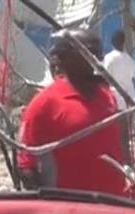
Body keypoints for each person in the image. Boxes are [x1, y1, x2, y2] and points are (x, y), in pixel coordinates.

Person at [18, 30, 127, 196]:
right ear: (64, 58)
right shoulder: (44, 103)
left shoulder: (107, 95)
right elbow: (26, 166)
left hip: (115, 206)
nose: (95, 57)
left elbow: (118, 146)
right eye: (87, 51)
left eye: (96, 52)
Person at [103, 29, 135, 102]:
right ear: (123, 42)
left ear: (112, 43)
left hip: (116, 99)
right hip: (131, 100)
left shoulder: (108, 58)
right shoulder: (130, 60)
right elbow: (133, 81)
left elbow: (105, 79)